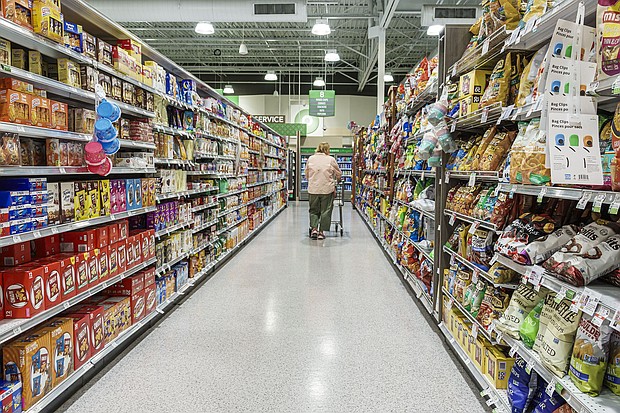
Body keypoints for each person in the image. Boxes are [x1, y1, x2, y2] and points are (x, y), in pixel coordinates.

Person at [305, 142, 342, 240]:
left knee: (313, 210)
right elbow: (338, 174)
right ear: (327, 150)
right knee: (326, 211)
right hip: (327, 190)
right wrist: (337, 181)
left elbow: (307, 174)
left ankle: (314, 229)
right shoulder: (330, 159)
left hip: (313, 189)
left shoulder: (311, 158)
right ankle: (321, 232)